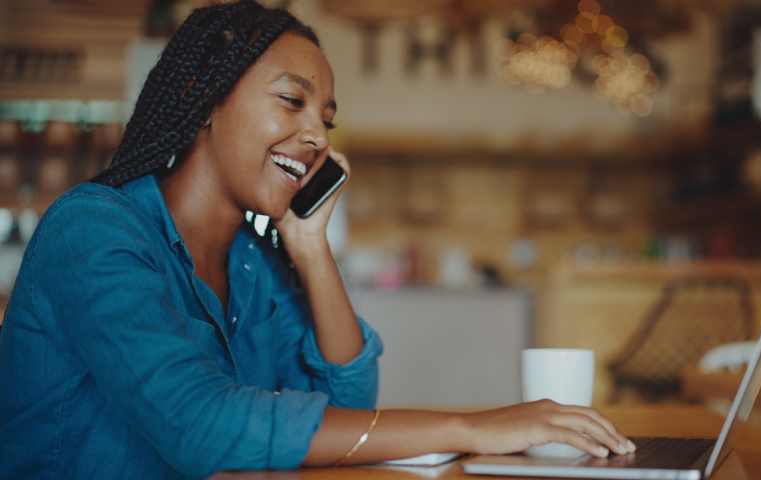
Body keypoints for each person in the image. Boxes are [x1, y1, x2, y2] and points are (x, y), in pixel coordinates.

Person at [0, 2, 633, 478]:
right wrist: (471, 425)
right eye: (291, 102)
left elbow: (347, 401)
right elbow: (199, 425)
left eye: (326, 119)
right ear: (204, 99)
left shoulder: (255, 259)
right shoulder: (93, 232)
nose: (318, 138)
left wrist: (309, 246)